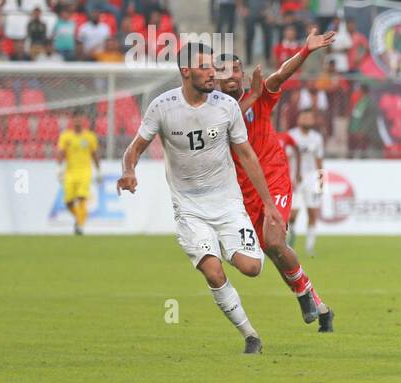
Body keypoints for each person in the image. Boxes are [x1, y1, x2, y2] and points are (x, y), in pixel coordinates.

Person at [118, 43, 279, 354]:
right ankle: (250, 336)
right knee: (213, 271)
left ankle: (227, 244)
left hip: (228, 204)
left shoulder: (226, 107)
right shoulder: (162, 107)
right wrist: (128, 170)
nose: (212, 74)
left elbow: (246, 155)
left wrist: (269, 205)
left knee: (251, 268)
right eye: (205, 67)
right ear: (186, 71)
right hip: (189, 209)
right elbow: (135, 147)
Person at [217, 29, 337, 332]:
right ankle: (316, 302)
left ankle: (302, 295)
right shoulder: (212, 112)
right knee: (273, 251)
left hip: (273, 178)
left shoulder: (258, 97)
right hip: (242, 191)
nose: (230, 75)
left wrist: (306, 51)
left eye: (235, 70)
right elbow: (227, 120)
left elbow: (281, 74)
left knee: (273, 241)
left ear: (243, 75)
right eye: (223, 72)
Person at [288, 108, 325, 257]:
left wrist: (321, 182)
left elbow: (319, 160)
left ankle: (310, 247)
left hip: (311, 178)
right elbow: (285, 158)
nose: (308, 120)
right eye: (305, 117)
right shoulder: (291, 136)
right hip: (294, 178)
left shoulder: (317, 138)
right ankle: (290, 240)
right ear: (299, 119)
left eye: (311, 118)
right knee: (292, 215)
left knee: (313, 213)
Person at [56, 113, 100, 235]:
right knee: (68, 202)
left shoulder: (90, 137)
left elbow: (94, 154)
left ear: (83, 120)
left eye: (80, 118)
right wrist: (59, 168)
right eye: (75, 119)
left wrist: (98, 170)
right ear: (72, 120)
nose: (77, 121)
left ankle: (80, 226)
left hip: (85, 172)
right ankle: (79, 218)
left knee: (81, 198)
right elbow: (60, 152)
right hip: (70, 172)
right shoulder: (66, 136)